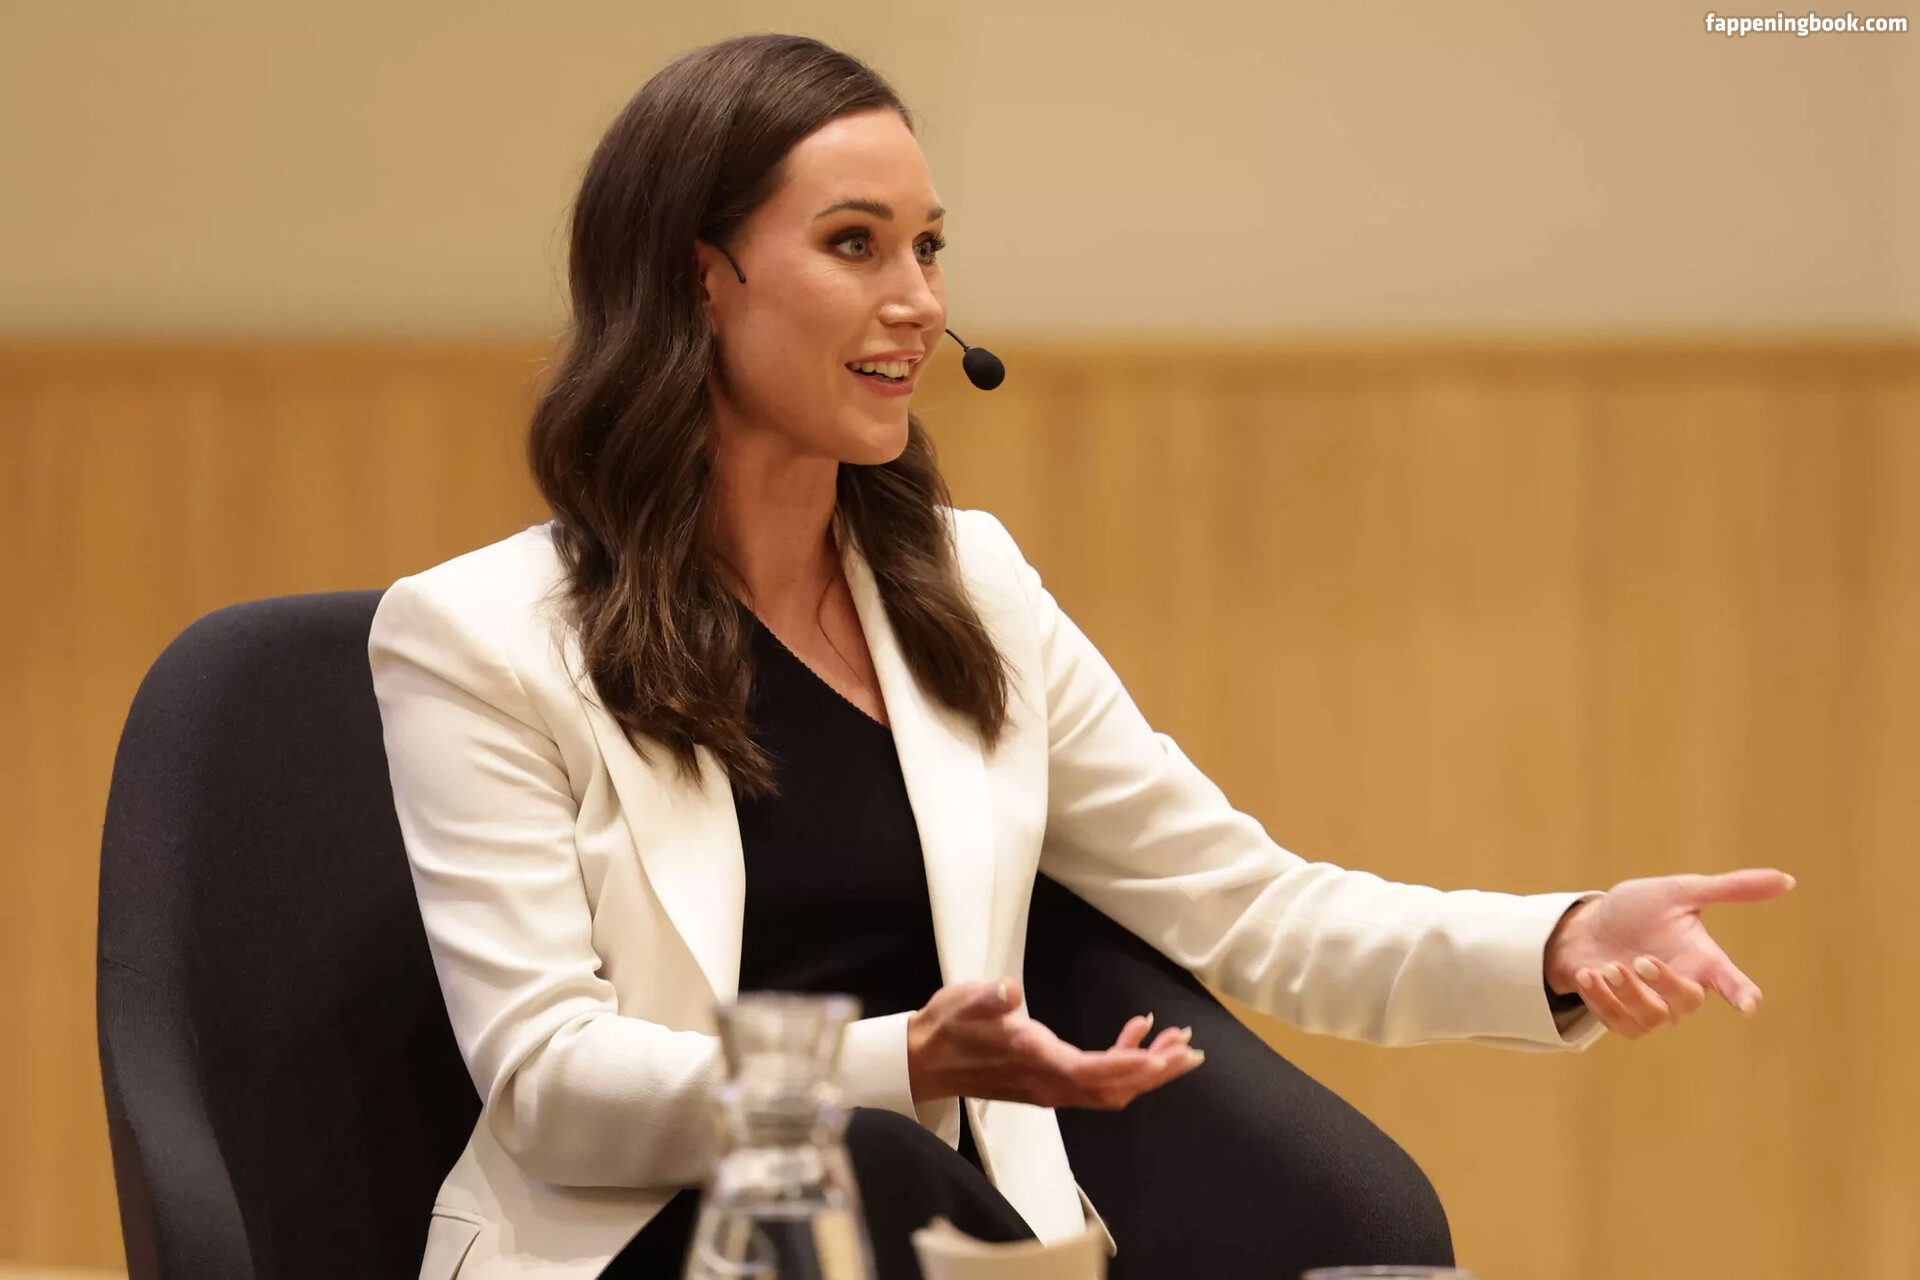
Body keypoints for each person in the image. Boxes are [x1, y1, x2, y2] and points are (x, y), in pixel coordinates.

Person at [367, 33, 1795, 1280]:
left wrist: (1556, 940)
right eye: (856, 245)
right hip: (650, 1236)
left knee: (1337, 1219)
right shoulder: (479, 636)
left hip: (942, 1229)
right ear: (699, 281)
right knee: (879, 1170)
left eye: (930, 248)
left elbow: (1246, 906)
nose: (919, 302)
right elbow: (549, 1085)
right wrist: (897, 1063)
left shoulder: (967, 586)